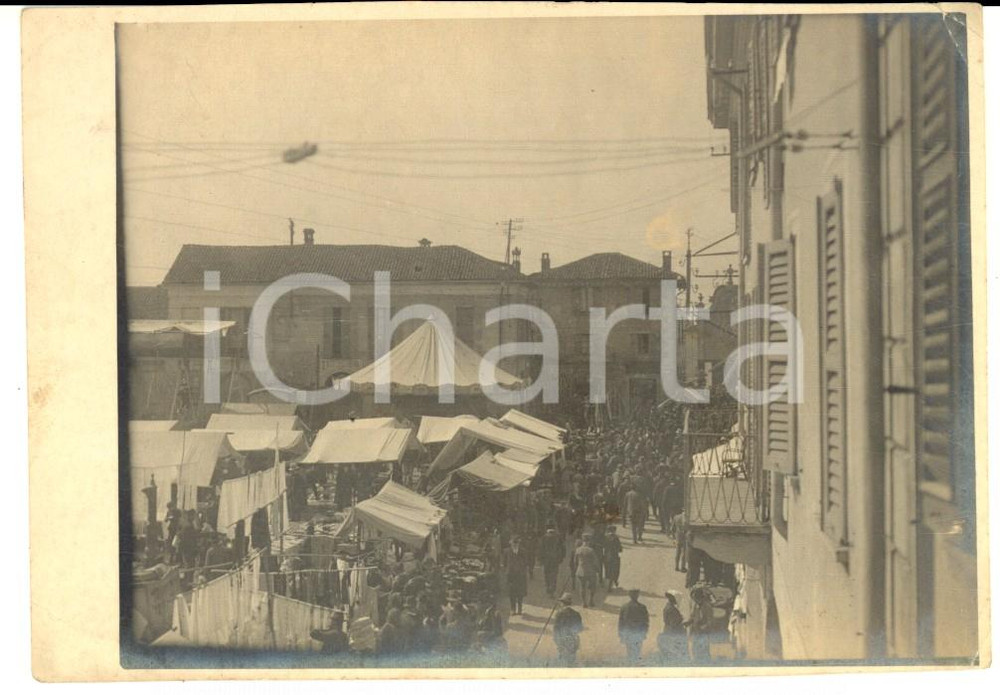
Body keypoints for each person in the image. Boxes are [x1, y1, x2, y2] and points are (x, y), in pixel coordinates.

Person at [618, 589, 650, 663]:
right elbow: (646, 621)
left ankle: (631, 665)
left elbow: (621, 622)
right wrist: (644, 632)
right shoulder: (642, 607)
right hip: (637, 633)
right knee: (637, 651)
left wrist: (621, 634)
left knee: (630, 651)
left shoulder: (624, 607)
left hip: (629, 633)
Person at [552, 592, 584, 666]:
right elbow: (580, 628)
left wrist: (556, 640)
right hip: (573, 640)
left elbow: (556, 629)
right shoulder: (576, 614)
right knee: (571, 662)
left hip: (562, 640)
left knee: (561, 661)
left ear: (562, 603)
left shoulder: (559, 613)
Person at [657, 591, 687, 663]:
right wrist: (684, 623)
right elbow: (674, 624)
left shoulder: (669, 607)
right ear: (672, 599)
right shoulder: (671, 609)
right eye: (675, 599)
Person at [503, 536, 530, 615]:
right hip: (511, 575)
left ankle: (520, 608)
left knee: (520, 592)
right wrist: (507, 571)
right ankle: (513, 609)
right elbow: (504, 563)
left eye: (516, 543)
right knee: (512, 593)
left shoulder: (523, 551)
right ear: (510, 543)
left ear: (519, 543)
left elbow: (526, 562)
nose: (515, 544)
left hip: (520, 575)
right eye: (513, 543)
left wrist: (522, 570)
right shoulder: (506, 551)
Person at [572, 535, 599, 608]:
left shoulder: (578, 550)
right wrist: (597, 569)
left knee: (582, 587)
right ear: (589, 541)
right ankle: (591, 600)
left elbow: (575, 561)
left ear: (583, 541)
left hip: (580, 571)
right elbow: (595, 562)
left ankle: (583, 602)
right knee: (592, 586)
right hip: (590, 571)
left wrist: (576, 568)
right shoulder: (591, 550)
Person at [538, 527, 565, 597]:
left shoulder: (543, 538)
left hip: (546, 560)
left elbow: (540, 549)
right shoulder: (558, 538)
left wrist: (540, 559)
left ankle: (548, 587)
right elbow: (563, 549)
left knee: (546, 574)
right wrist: (561, 558)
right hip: (555, 560)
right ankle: (552, 590)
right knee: (554, 575)